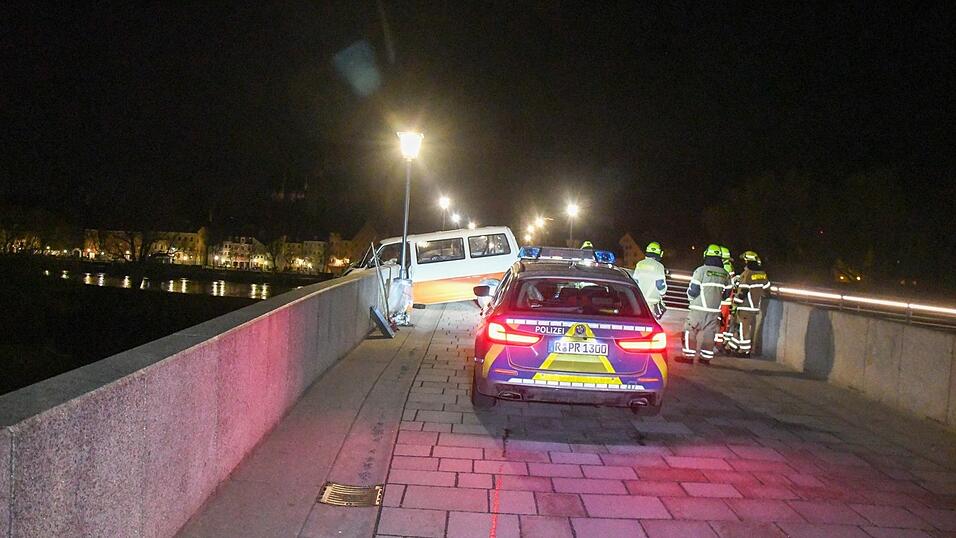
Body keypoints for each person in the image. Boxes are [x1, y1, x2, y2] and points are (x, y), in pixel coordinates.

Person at [683, 244, 731, 364]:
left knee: (690, 330)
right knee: (710, 333)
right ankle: (705, 359)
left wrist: (690, 297)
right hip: (714, 310)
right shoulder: (725, 274)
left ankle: (688, 357)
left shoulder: (701, 271)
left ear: (706, 255)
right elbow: (728, 293)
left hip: (698, 309)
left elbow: (693, 290)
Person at [727, 251, 771, 356]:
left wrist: (735, 305)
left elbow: (742, 292)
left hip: (745, 306)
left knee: (744, 329)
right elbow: (766, 290)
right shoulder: (762, 275)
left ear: (747, 261)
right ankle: (731, 347)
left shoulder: (748, 274)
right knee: (741, 328)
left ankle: (744, 351)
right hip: (754, 307)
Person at [633, 242, 667, 319]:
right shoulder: (659, 266)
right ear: (659, 253)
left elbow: (635, 281)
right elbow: (660, 285)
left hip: (640, 300)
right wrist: (663, 293)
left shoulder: (640, 264)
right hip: (652, 301)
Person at [715, 245, 736, 348]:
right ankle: (720, 341)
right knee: (723, 321)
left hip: (723, 300)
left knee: (720, 322)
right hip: (727, 300)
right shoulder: (729, 266)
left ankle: (718, 342)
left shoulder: (725, 268)